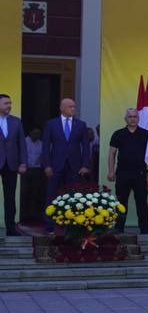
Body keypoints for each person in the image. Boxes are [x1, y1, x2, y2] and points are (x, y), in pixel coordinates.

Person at [42, 98, 92, 230]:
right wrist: (47, 165)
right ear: (62, 108)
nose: (73, 109)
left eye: (74, 107)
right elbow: (46, 146)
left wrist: (85, 165)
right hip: (55, 165)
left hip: (75, 166)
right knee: (51, 194)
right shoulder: (51, 124)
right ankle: (50, 225)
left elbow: (86, 147)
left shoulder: (81, 124)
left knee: (74, 195)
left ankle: (73, 225)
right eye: (70, 107)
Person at [106, 108, 148, 234]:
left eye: (135, 116)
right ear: (125, 119)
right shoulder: (118, 134)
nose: (133, 119)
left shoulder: (146, 134)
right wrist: (110, 171)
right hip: (122, 173)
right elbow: (111, 154)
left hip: (140, 173)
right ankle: (119, 227)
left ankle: (144, 228)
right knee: (121, 202)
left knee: (141, 201)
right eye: (130, 117)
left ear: (138, 118)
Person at [0, 93, 26, 236]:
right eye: (6, 103)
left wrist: (23, 163)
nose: (9, 106)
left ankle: (11, 227)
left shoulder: (16, 121)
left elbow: (21, 143)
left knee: (10, 197)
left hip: (11, 164)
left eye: (10, 103)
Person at [21, 126, 44, 224]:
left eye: (38, 133)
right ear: (30, 132)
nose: (36, 135)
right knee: (24, 193)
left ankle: (33, 215)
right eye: (35, 133)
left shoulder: (41, 143)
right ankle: (23, 215)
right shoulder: (24, 142)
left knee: (35, 193)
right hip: (26, 170)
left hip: (37, 170)